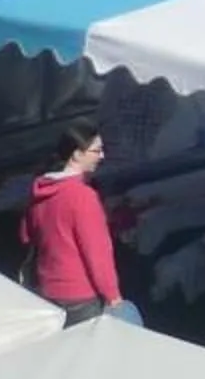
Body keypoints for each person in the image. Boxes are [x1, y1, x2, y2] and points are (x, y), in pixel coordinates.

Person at [20, 124, 134, 327]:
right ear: (76, 155)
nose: (102, 156)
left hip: (47, 289)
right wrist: (113, 297)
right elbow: (97, 253)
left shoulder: (41, 189)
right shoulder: (83, 197)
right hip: (81, 297)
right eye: (96, 151)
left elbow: (26, 235)